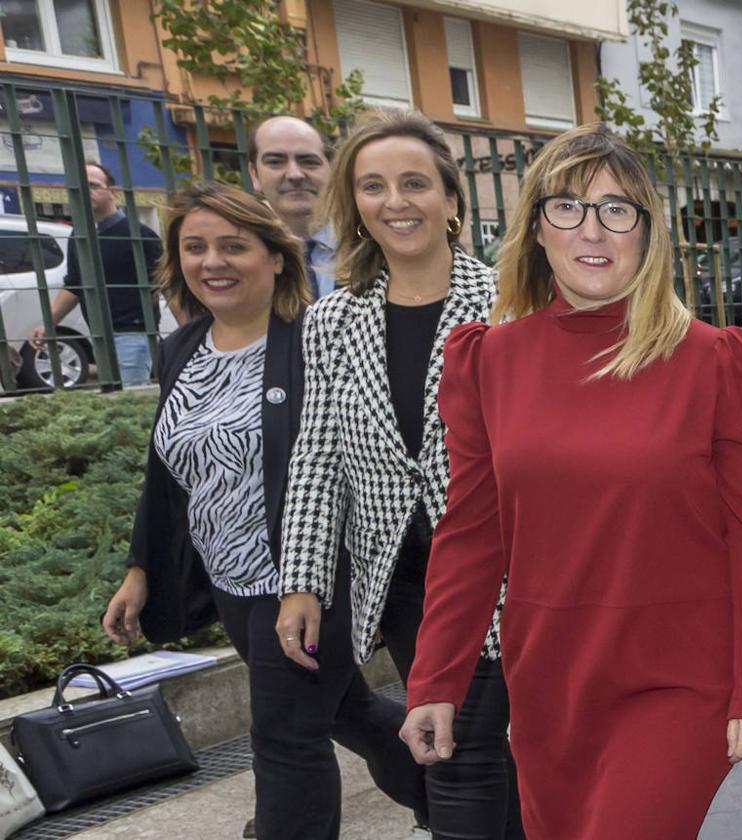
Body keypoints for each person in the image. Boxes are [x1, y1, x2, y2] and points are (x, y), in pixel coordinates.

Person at [398, 123, 742, 840]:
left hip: (678, 676)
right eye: (568, 207)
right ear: (537, 230)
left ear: (646, 233)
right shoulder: (487, 362)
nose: (593, 230)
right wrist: (436, 679)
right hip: (550, 678)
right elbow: (471, 536)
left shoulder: (712, 361)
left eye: (617, 210)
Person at [101, 182, 422, 840]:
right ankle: (475, 802)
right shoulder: (182, 350)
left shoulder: (315, 343)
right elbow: (167, 475)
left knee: (284, 738)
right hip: (232, 586)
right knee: (345, 712)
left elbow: (367, 467)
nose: (211, 261)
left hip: (312, 580)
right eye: (195, 247)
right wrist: (140, 569)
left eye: (232, 245)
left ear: (275, 256)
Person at [275, 109, 522, 839]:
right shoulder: (331, 322)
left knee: (469, 757)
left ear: (452, 201)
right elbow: (316, 458)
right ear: (355, 205)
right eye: (373, 186)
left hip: (517, 571)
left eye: (415, 183)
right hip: (411, 586)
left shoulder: (513, 305)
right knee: (465, 753)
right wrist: (303, 580)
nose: (396, 201)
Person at [30, 160, 163, 385]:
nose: (85, 191)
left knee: (129, 404)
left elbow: (168, 283)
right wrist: (48, 324)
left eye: (93, 185)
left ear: (112, 192)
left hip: (133, 334)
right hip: (100, 337)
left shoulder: (139, 234)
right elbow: (74, 285)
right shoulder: (79, 236)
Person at [248, 115, 337, 299]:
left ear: (332, 170)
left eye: (308, 161)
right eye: (275, 161)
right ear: (254, 174)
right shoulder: (237, 253)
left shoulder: (371, 244)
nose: (295, 174)